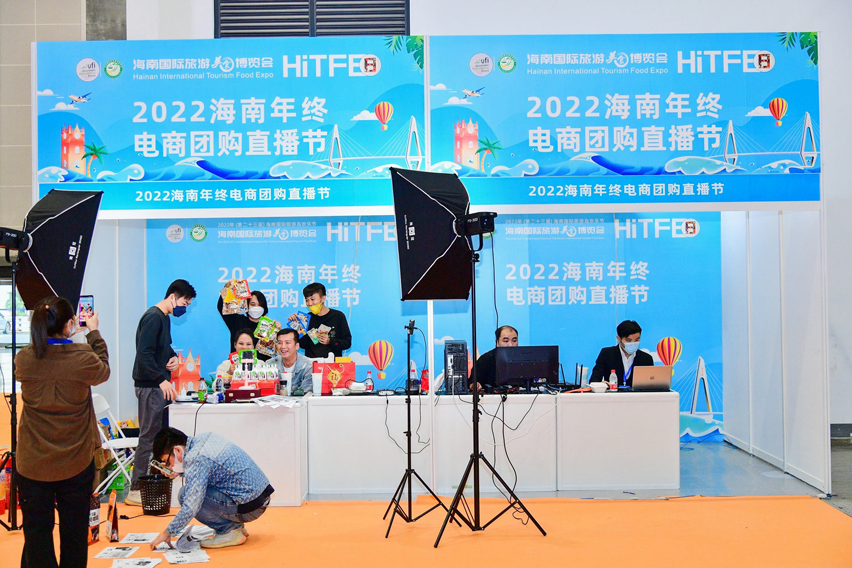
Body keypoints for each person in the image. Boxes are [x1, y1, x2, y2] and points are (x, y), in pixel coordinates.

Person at [15, 297, 110, 568]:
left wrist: (65, 336)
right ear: (70, 324)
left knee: (37, 535)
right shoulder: (82, 358)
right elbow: (103, 370)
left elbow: (46, 356)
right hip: (75, 461)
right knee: (74, 533)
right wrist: (93, 332)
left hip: (32, 463)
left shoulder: (24, 359)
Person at [126, 279, 196, 507]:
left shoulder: (164, 318)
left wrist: (173, 358)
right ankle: (136, 489)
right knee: (148, 437)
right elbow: (144, 354)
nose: (184, 308)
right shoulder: (153, 317)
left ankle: (150, 483)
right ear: (173, 297)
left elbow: (163, 348)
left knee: (156, 437)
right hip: (150, 386)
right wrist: (161, 380)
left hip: (157, 386)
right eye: (184, 303)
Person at [149, 428, 273, 550]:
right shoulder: (205, 438)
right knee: (197, 489)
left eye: (167, 461)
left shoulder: (195, 459)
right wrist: (178, 472)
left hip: (250, 507)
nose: (170, 465)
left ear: (177, 450)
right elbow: (206, 471)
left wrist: (168, 532)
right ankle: (234, 527)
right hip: (260, 497)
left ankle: (228, 531)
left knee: (184, 494)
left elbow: (191, 506)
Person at [290, 282, 351, 359]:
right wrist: (297, 328)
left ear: (323, 299)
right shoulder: (305, 318)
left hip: (332, 364)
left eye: (312, 299)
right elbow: (303, 345)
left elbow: (347, 342)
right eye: (307, 300)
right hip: (311, 363)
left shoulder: (338, 316)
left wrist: (330, 341)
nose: (309, 303)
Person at [589, 320, 654, 388]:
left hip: (638, 394)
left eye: (637, 340)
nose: (633, 343)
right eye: (628, 340)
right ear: (619, 338)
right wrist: (601, 385)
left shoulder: (646, 358)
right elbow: (594, 380)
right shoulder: (607, 354)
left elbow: (652, 384)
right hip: (613, 394)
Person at [217, 290, 271, 360]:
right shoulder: (237, 320)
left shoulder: (268, 326)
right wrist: (229, 288)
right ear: (246, 305)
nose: (256, 308)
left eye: (260, 305)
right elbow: (222, 306)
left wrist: (276, 332)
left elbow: (271, 352)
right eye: (253, 304)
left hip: (259, 365)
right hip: (236, 364)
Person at [471, 325, 518, 392]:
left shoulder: (524, 358)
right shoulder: (486, 359)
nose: (510, 345)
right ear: (497, 342)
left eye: (514, 340)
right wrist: (475, 384)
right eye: (506, 341)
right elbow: (472, 381)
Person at [269, 328, 313, 394]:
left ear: (297, 346)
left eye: (287, 342)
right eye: (280, 343)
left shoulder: (308, 367)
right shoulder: (270, 365)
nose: (283, 346)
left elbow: (306, 394)